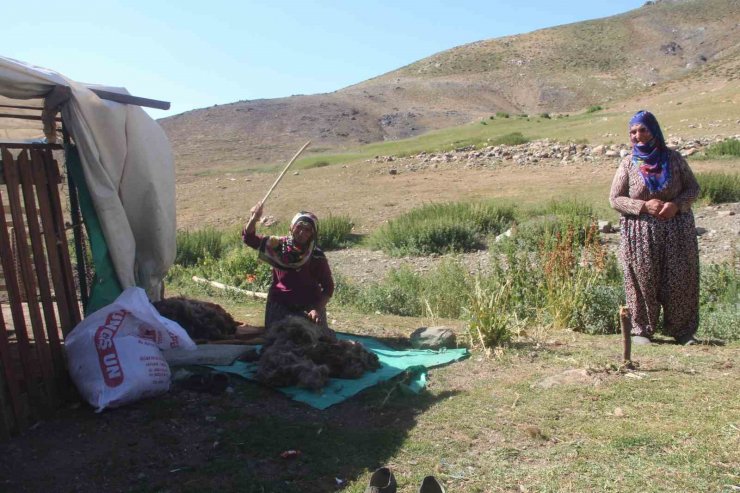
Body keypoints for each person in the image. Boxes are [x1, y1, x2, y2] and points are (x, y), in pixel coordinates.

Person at [609, 110, 701, 345]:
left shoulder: (674, 159)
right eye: (633, 132)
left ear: (654, 131)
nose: (637, 136)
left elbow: (693, 189)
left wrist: (677, 205)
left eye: (642, 130)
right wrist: (643, 206)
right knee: (641, 280)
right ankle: (642, 330)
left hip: (677, 231)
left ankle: (683, 332)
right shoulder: (629, 163)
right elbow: (615, 199)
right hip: (640, 234)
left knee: (681, 279)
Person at [243, 202, 334, 329]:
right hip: (279, 305)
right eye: (299, 227)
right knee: (278, 342)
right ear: (292, 227)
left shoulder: (316, 256)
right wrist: (254, 219)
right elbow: (249, 238)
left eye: (307, 229)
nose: (302, 232)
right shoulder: (277, 245)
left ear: (313, 234)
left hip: (309, 309)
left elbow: (328, 287)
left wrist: (317, 309)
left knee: (316, 344)